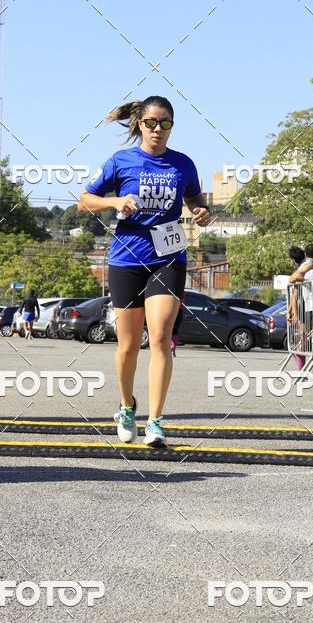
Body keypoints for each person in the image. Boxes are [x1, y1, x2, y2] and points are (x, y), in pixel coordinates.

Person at [78, 95, 211, 448]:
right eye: (151, 123)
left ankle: (155, 420)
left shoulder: (183, 164)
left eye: (165, 123)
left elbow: (196, 200)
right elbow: (84, 200)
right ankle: (126, 407)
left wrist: (201, 212)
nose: (158, 129)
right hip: (126, 259)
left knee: (161, 338)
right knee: (127, 346)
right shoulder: (121, 161)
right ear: (139, 124)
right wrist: (114, 201)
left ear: (171, 126)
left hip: (168, 257)